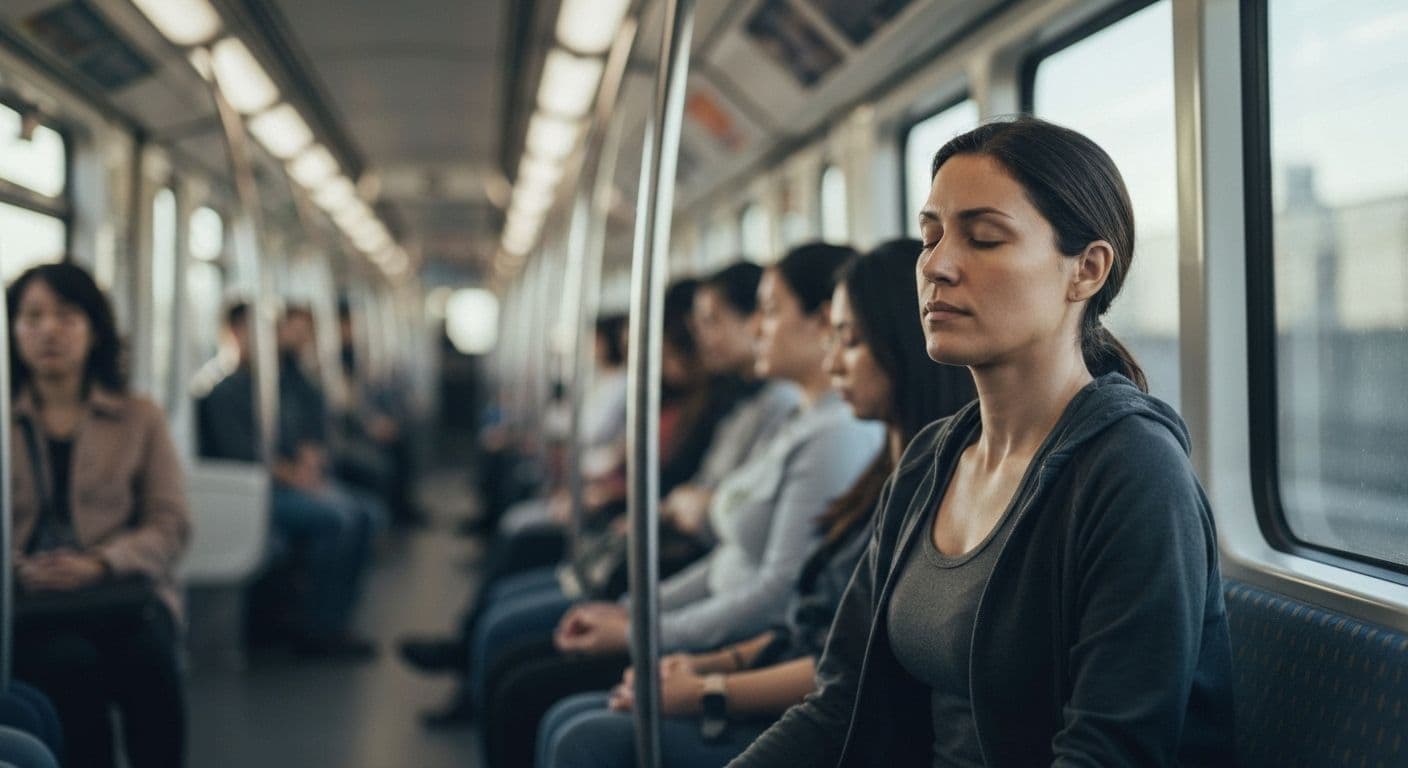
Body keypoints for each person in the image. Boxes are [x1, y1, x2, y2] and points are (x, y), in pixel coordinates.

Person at [729, 117, 1236, 767]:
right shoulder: (932, 460)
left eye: (984, 239)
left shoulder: (1133, 474)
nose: (937, 267)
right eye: (930, 237)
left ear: (1085, 270)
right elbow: (841, 703)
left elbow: (1107, 754)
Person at [537, 239, 979, 768]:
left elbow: (838, 665)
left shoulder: (867, 454)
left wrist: (708, 683)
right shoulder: (877, 470)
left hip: (822, 713)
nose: (833, 359)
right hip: (775, 666)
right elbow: (806, 630)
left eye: (851, 341)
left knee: (576, 732)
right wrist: (695, 664)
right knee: (568, 719)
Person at [479, 243, 884, 767]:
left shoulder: (837, 437)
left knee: (544, 703)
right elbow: (732, 555)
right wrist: (637, 616)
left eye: (770, 311)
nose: (757, 328)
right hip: (727, 630)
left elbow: (779, 598)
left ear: (821, 322)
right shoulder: (793, 424)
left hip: (742, 639)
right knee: (532, 675)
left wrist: (658, 643)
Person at [7, 262, 190, 768]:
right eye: (32, 316)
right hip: (26, 599)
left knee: (151, 658)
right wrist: (18, 567)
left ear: (94, 329)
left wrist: (102, 562)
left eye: (66, 316)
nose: (48, 331)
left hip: (117, 589)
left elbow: (170, 521)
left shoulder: (139, 417)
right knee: (71, 667)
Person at [197, 302, 378, 659]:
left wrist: (310, 461)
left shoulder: (277, 384)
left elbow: (303, 432)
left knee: (366, 514)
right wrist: (295, 475)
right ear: (234, 335)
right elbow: (242, 457)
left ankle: (335, 620)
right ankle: (317, 627)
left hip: (291, 483)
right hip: (253, 492)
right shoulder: (224, 392)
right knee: (337, 520)